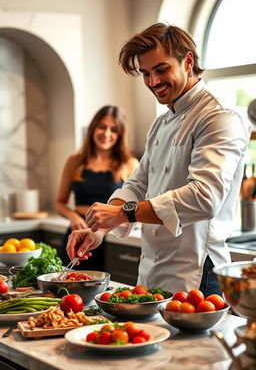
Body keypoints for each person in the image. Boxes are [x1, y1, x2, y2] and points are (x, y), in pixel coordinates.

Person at [66, 23, 250, 295]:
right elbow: (137, 184)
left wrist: (122, 213)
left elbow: (204, 197)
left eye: (161, 69)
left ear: (188, 61)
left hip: (197, 273)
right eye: (146, 73)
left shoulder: (219, 117)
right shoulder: (161, 122)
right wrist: (100, 229)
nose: (153, 82)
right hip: (152, 271)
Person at [56, 105, 139, 269]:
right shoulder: (74, 161)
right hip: (78, 233)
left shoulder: (129, 163)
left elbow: (137, 204)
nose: (106, 134)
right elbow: (59, 202)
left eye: (114, 129)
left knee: (103, 291)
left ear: (120, 135)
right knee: (65, 286)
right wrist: (74, 218)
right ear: (93, 128)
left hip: (111, 235)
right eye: (102, 127)